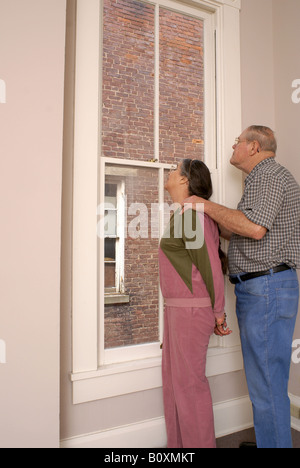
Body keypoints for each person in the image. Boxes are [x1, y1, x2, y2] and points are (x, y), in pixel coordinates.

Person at [185, 126, 300, 448]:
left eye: (237, 142)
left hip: (267, 289)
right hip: (267, 288)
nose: (233, 146)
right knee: (267, 381)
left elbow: (252, 228)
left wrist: (202, 205)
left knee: (266, 385)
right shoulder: (264, 179)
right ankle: (270, 441)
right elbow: (241, 230)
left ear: (253, 146)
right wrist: (212, 224)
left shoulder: (268, 176)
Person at [159, 159, 232, 449]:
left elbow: (210, 266)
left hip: (191, 310)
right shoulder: (183, 214)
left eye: (175, 170)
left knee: (189, 386)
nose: (169, 172)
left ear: (185, 181)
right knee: (175, 384)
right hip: (178, 310)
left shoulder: (191, 216)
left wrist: (218, 313)